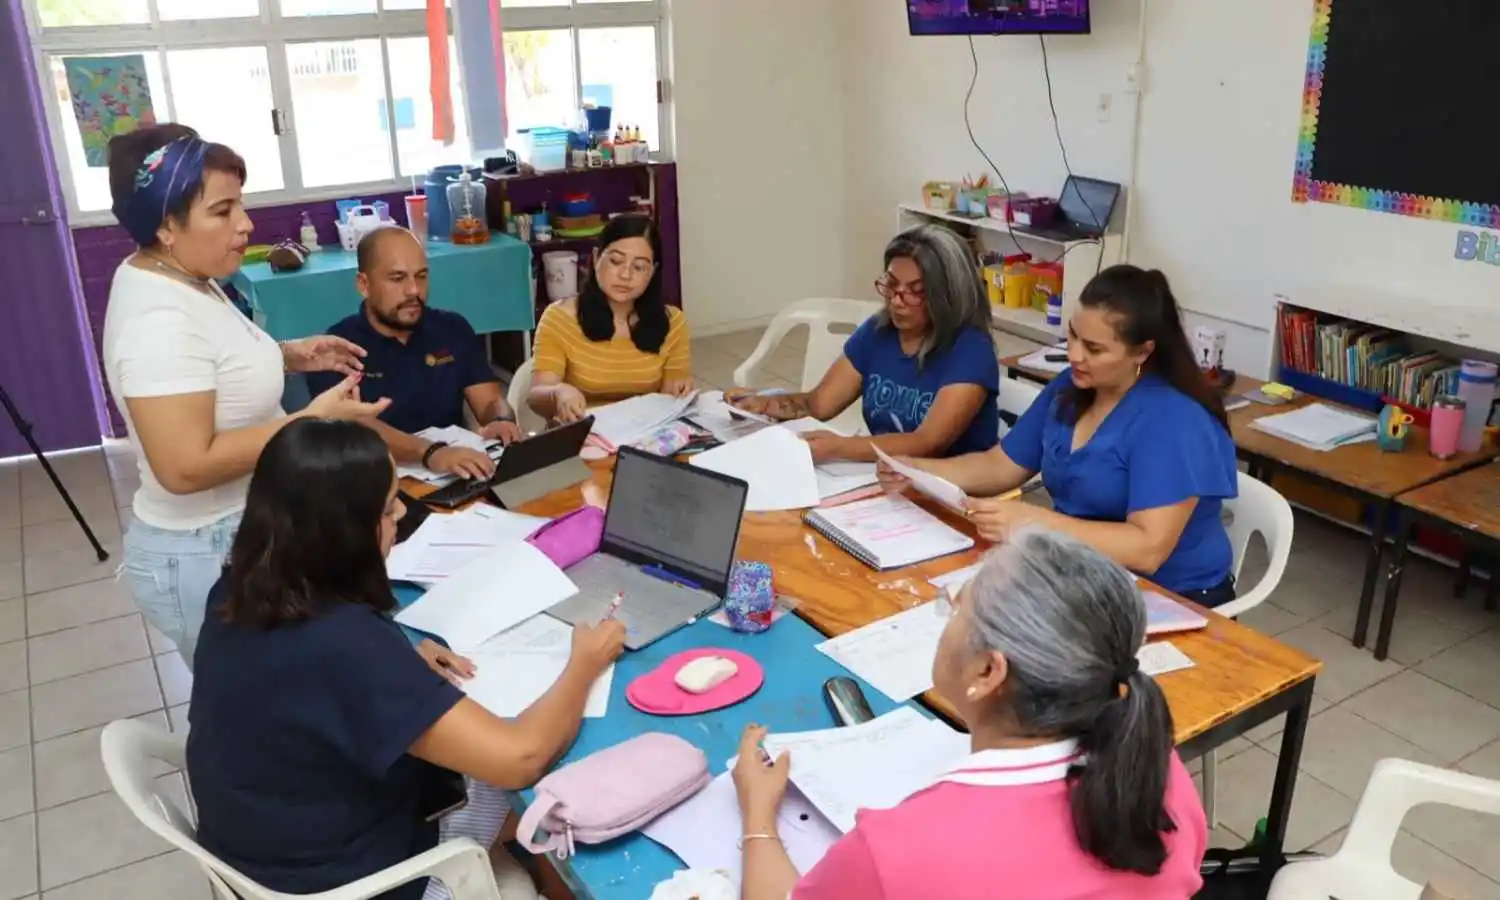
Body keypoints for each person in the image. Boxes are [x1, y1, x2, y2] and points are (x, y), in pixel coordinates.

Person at [187, 418, 626, 900]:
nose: (401, 512)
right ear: (346, 530)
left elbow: (306, 684)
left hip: (263, 846)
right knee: (556, 790)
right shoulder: (343, 643)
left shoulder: (239, 586)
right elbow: (521, 759)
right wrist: (584, 663)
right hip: (355, 884)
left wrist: (397, 664)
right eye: (389, 505)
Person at [733, 526, 1207, 900]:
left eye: (957, 610)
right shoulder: (1153, 765)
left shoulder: (898, 849)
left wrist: (757, 813)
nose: (946, 623)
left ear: (987, 670)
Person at [103, 124, 389, 670]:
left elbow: (209, 361)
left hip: (238, 532)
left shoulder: (186, 273)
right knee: (256, 723)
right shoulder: (157, 318)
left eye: (242, 204)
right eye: (223, 210)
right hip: (202, 551)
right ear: (167, 224)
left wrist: (288, 354)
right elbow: (183, 466)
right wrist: (308, 422)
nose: (246, 224)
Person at [880, 265, 1238, 605]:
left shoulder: (1173, 421)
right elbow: (1000, 465)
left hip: (1172, 599)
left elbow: (1146, 549)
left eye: (1094, 348)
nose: (1074, 355)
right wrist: (918, 470)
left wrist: (1036, 524)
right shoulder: (1072, 388)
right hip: (1084, 574)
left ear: (1142, 351)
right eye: (1072, 336)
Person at [726, 224, 999, 463]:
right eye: (891, 285)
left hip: (955, 493)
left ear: (948, 297)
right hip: (890, 478)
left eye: (916, 292)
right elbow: (819, 403)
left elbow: (927, 442)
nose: (896, 301)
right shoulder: (879, 331)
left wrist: (840, 447)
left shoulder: (971, 351)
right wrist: (766, 405)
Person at [306, 228, 523, 482]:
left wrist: (501, 419)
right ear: (364, 284)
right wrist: (429, 453)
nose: (413, 290)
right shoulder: (337, 349)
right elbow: (354, 427)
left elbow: (490, 400)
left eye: (421, 277)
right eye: (397, 278)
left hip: (454, 471)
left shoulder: (451, 328)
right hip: (374, 483)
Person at [526, 214, 692, 422]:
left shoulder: (672, 322)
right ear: (596, 258)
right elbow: (535, 396)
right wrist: (557, 393)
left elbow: (671, 399)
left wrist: (680, 391)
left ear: (652, 272)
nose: (625, 275)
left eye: (639, 267)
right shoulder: (560, 318)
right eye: (615, 261)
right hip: (582, 436)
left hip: (647, 433)